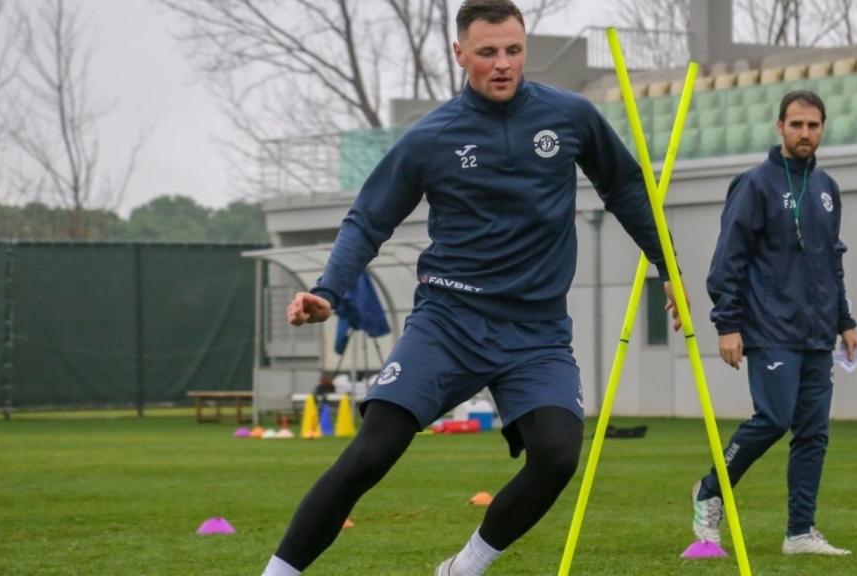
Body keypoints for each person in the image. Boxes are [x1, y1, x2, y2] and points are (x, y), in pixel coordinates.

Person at [262, 2, 682, 575]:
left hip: (536, 333)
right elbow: (368, 219)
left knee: (558, 455)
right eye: (487, 53)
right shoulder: (430, 138)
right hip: (449, 322)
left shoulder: (572, 117)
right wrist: (328, 292)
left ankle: (464, 567)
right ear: (460, 55)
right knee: (373, 450)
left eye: (513, 50)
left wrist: (669, 269)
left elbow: (628, 189)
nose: (503, 64)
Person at [689, 90, 857, 556]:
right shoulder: (755, 185)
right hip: (768, 329)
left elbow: (832, 261)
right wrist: (727, 324)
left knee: (813, 432)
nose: (805, 133)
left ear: (822, 128)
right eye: (796, 125)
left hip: (816, 333)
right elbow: (728, 260)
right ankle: (709, 490)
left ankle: (800, 533)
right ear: (780, 127)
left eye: (813, 125)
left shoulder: (827, 188)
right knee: (774, 419)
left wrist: (844, 321)